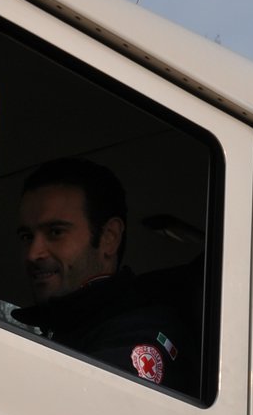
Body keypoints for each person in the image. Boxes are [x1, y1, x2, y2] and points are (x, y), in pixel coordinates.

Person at [11, 158, 194, 393]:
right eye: (27, 237)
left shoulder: (142, 333)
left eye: (55, 232)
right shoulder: (70, 331)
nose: (34, 253)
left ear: (109, 237)